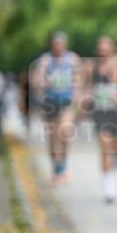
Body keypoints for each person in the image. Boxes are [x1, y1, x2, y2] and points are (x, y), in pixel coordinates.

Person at [32, 32, 80, 184]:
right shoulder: (45, 60)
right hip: (50, 103)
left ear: (65, 45)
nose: (58, 47)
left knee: (65, 131)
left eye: (61, 44)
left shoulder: (72, 59)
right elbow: (36, 80)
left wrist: (78, 95)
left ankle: (63, 165)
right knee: (53, 137)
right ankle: (56, 167)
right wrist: (42, 80)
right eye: (56, 44)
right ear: (52, 45)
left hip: (67, 102)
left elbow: (80, 79)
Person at [86, 35, 117, 203]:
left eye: (107, 48)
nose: (104, 52)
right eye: (101, 49)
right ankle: (109, 185)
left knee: (116, 146)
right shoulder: (91, 67)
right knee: (104, 146)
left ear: (112, 48)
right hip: (100, 112)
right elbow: (86, 88)